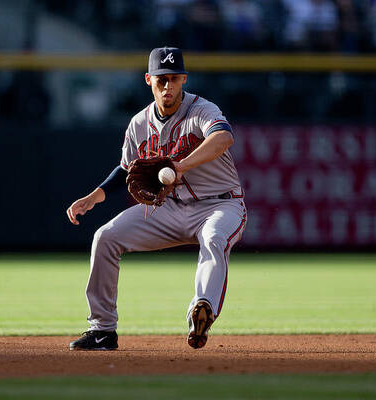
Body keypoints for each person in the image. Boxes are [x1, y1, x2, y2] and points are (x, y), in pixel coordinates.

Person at [66, 47, 247, 351]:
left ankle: (201, 309)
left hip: (221, 204)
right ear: (148, 79)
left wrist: (180, 166)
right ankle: (102, 331)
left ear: (184, 79)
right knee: (105, 238)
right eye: (161, 80)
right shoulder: (139, 123)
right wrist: (93, 197)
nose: (167, 86)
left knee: (214, 239)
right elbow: (126, 169)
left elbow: (223, 137)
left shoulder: (202, 109)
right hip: (170, 209)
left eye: (174, 79)